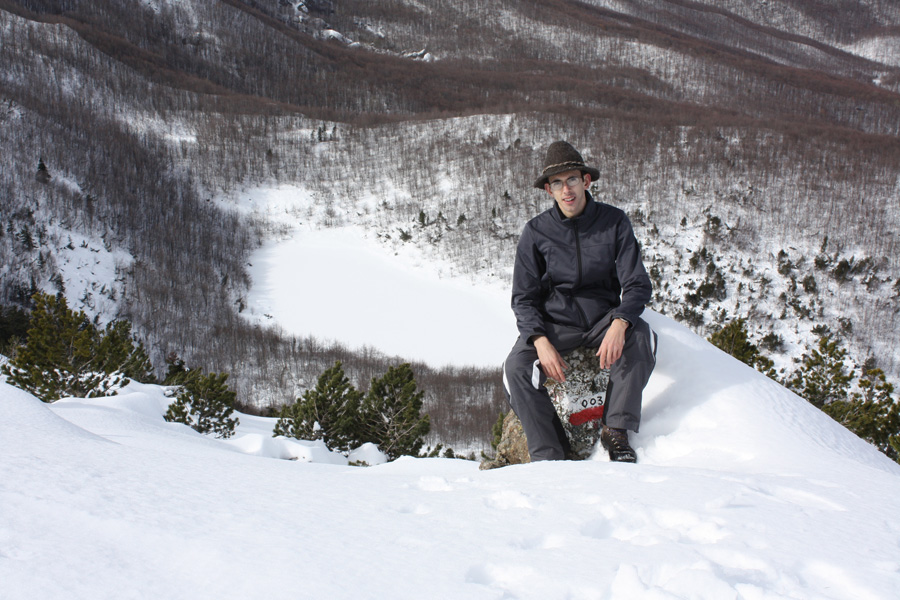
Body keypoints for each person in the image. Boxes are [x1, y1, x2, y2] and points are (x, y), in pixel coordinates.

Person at [503, 141, 657, 463]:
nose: (566, 190)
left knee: (642, 337)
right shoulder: (536, 233)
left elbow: (637, 283)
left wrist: (621, 321)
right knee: (516, 368)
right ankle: (549, 455)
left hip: (603, 318)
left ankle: (615, 429)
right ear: (549, 190)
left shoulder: (613, 222)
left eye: (571, 179)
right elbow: (523, 298)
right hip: (557, 324)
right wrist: (539, 340)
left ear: (586, 181)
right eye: (557, 183)